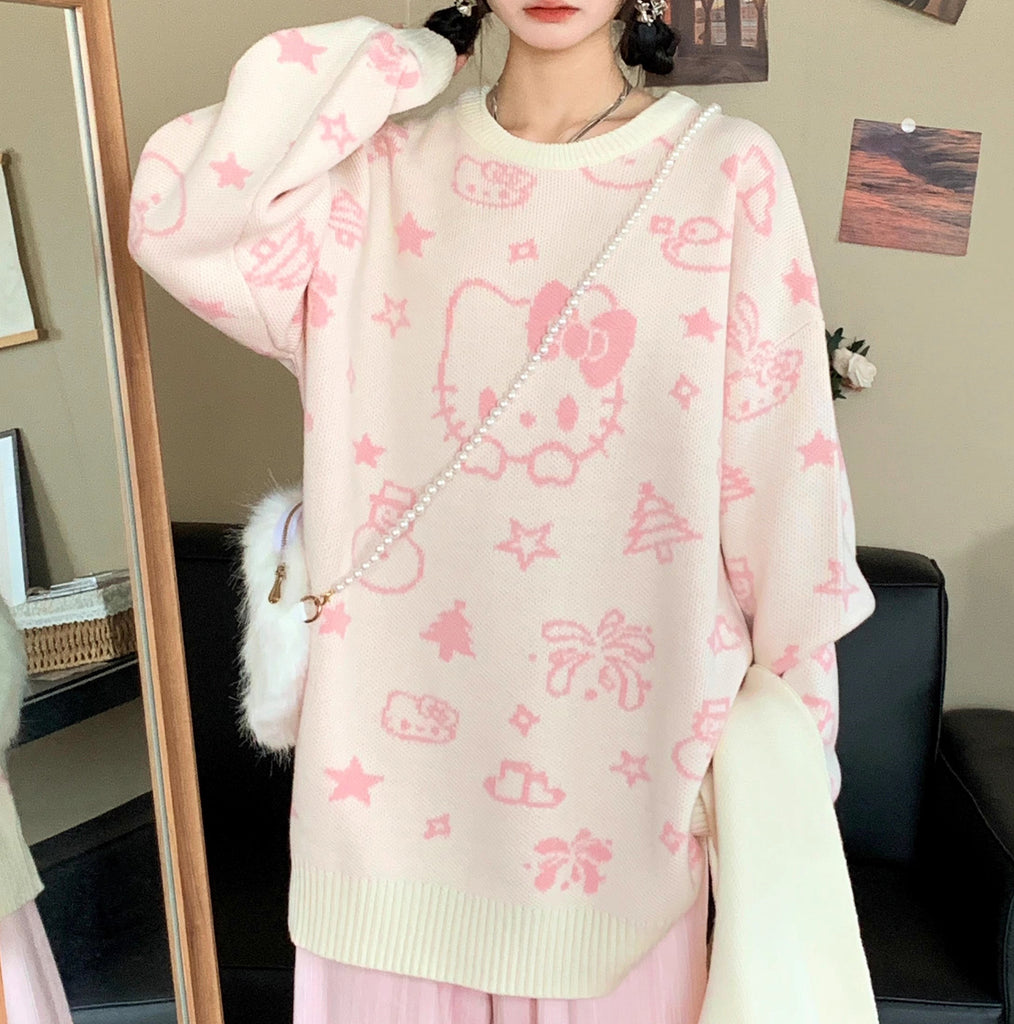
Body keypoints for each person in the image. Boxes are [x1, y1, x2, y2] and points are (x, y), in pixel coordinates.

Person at [127, 0, 877, 1018]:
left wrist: (789, 782)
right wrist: (412, 57)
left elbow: (787, 498)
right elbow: (181, 213)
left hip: (623, 845)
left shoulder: (727, 172)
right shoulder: (374, 175)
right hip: (384, 842)